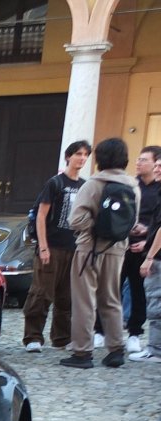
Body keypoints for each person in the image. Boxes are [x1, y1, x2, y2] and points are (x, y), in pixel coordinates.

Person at [65, 137, 140, 369]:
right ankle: (116, 350)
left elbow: (75, 219)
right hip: (117, 248)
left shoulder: (93, 184)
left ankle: (82, 352)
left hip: (90, 247)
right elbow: (132, 220)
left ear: (100, 158)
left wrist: (96, 225)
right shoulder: (133, 186)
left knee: (84, 301)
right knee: (111, 299)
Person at [23, 140, 90, 354]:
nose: (82, 158)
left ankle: (62, 337)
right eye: (78, 153)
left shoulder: (84, 186)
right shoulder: (55, 183)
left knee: (67, 296)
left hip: (74, 247)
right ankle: (33, 336)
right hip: (52, 246)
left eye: (85, 154)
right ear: (68, 156)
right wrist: (43, 246)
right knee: (41, 293)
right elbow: (41, 215)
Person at [121, 145, 161, 356]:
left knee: (141, 293)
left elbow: (158, 223)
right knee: (111, 287)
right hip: (123, 244)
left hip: (146, 249)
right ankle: (100, 330)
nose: (138, 162)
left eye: (145, 159)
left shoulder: (158, 190)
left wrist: (147, 239)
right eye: (138, 159)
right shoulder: (130, 186)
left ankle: (135, 333)